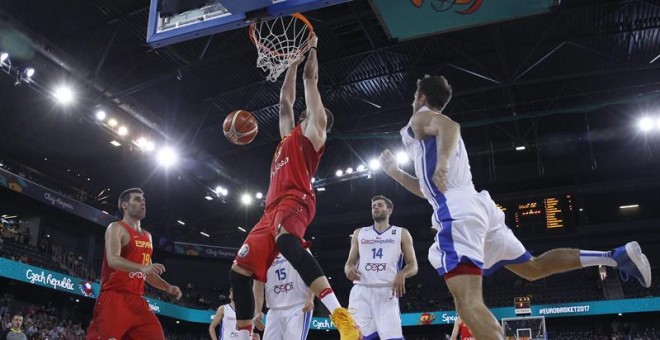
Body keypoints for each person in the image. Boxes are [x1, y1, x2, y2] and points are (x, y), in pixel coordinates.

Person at [379, 75, 652, 339]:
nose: (413, 100)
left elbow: (451, 128)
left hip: (456, 210)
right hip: (476, 206)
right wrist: (395, 173)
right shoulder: (424, 137)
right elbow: (426, 189)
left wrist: (443, 163)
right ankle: (614, 256)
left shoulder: (421, 117)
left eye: (415, 95)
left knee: (468, 303)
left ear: (422, 96)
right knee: (532, 269)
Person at [228, 34, 360, 340]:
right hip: (270, 210)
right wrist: (291, 63)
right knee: (239, 272)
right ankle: (246, 336)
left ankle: (341, 316)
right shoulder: (288, 136)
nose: (304, 111)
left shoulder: (315, 132)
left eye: (311, 111)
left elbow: (311, 80)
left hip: (296, 200)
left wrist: (312, 48)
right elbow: (284, 102)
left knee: (288, 243)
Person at [86, 188, 182, 340]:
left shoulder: (147, 236)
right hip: (114, 297)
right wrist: (143, 267)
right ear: (124, 205)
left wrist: (167, 287)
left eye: (143, 200)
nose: (143, 202)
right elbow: (113, 260)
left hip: (138, 300)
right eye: (137, 199)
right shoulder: (116, 228)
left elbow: (148, 273)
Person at [344, 195, 418, 340]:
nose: (375, 208)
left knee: (392, 337)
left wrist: (402, 273)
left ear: (389, 210)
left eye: (379, 205)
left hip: (387, 290)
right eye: (373, 206)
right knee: (356, 336)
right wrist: (348, 269)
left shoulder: (401, 233)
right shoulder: (360, 233)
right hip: (361, 290)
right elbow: (349, 262)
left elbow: (413, 265)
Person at [253, 253, 314, 340]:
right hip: (274, 310)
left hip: (299, 306)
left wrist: (310, 297)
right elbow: (258, 284)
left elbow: (312, 270)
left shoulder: (297, 243)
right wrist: (257, 311)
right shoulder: (263, 252)